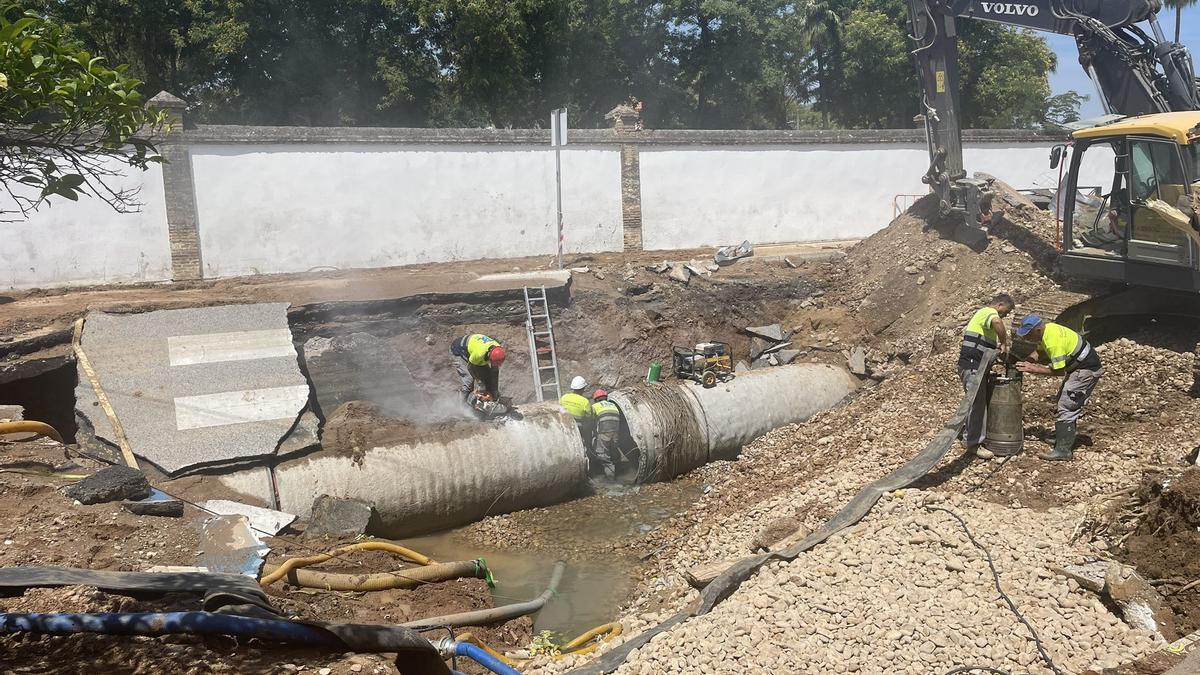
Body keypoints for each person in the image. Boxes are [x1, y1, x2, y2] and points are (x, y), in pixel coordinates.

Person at [1015, 315, 1104, 461]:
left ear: (1037, 330)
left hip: (1085, 370)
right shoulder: (1047, 331)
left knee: (1067, 406)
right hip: (1079, 367)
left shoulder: (1053, 342)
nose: (1027, 339)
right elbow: (1039, 351)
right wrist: (1029, 360)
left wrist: (1033, 369)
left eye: (1028, 335)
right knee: (1063, 400)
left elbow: (1058, 371)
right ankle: (1063, 437)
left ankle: (1063, 450)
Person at [958, 294, 1014, 459]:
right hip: (973, 367)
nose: (1005, 315)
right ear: (1000, 304)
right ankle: (973, 443)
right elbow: (997, 322)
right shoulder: (988, 312)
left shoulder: (985, 321)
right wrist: (1004, 343)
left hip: (975, 367)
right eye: (1006, 311)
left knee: (976, 402)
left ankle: (970, 436)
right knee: (977, 404)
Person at [449, 333, 506, 400]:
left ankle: (487, 399)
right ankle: (461, 403)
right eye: (492, 362)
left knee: (488, 376)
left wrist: (495, 391)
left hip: (472, 350)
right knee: (469, 380)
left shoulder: (498, 351)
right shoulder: (479, 354)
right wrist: (480, 383)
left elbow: (494, 372)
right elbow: (470, 367)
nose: (493, 365)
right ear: (489, 356)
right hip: (458, 350)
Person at [591, 389, 621, 481]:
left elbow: (591, 421)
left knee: (603, 454)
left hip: (604, 431)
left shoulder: (595, 406)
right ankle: (619, 471)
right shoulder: (613, 405)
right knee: (613, 450)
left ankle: (610, 478)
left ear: (596, 399)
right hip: (616, 431)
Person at [560, 376, 594, 447]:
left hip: (563, 426)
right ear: (583, 389)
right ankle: (588, 447)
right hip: (578, 428)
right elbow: (589, 418)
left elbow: (559, 409)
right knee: (589, 428)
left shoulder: (564, 397)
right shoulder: (585, 402)